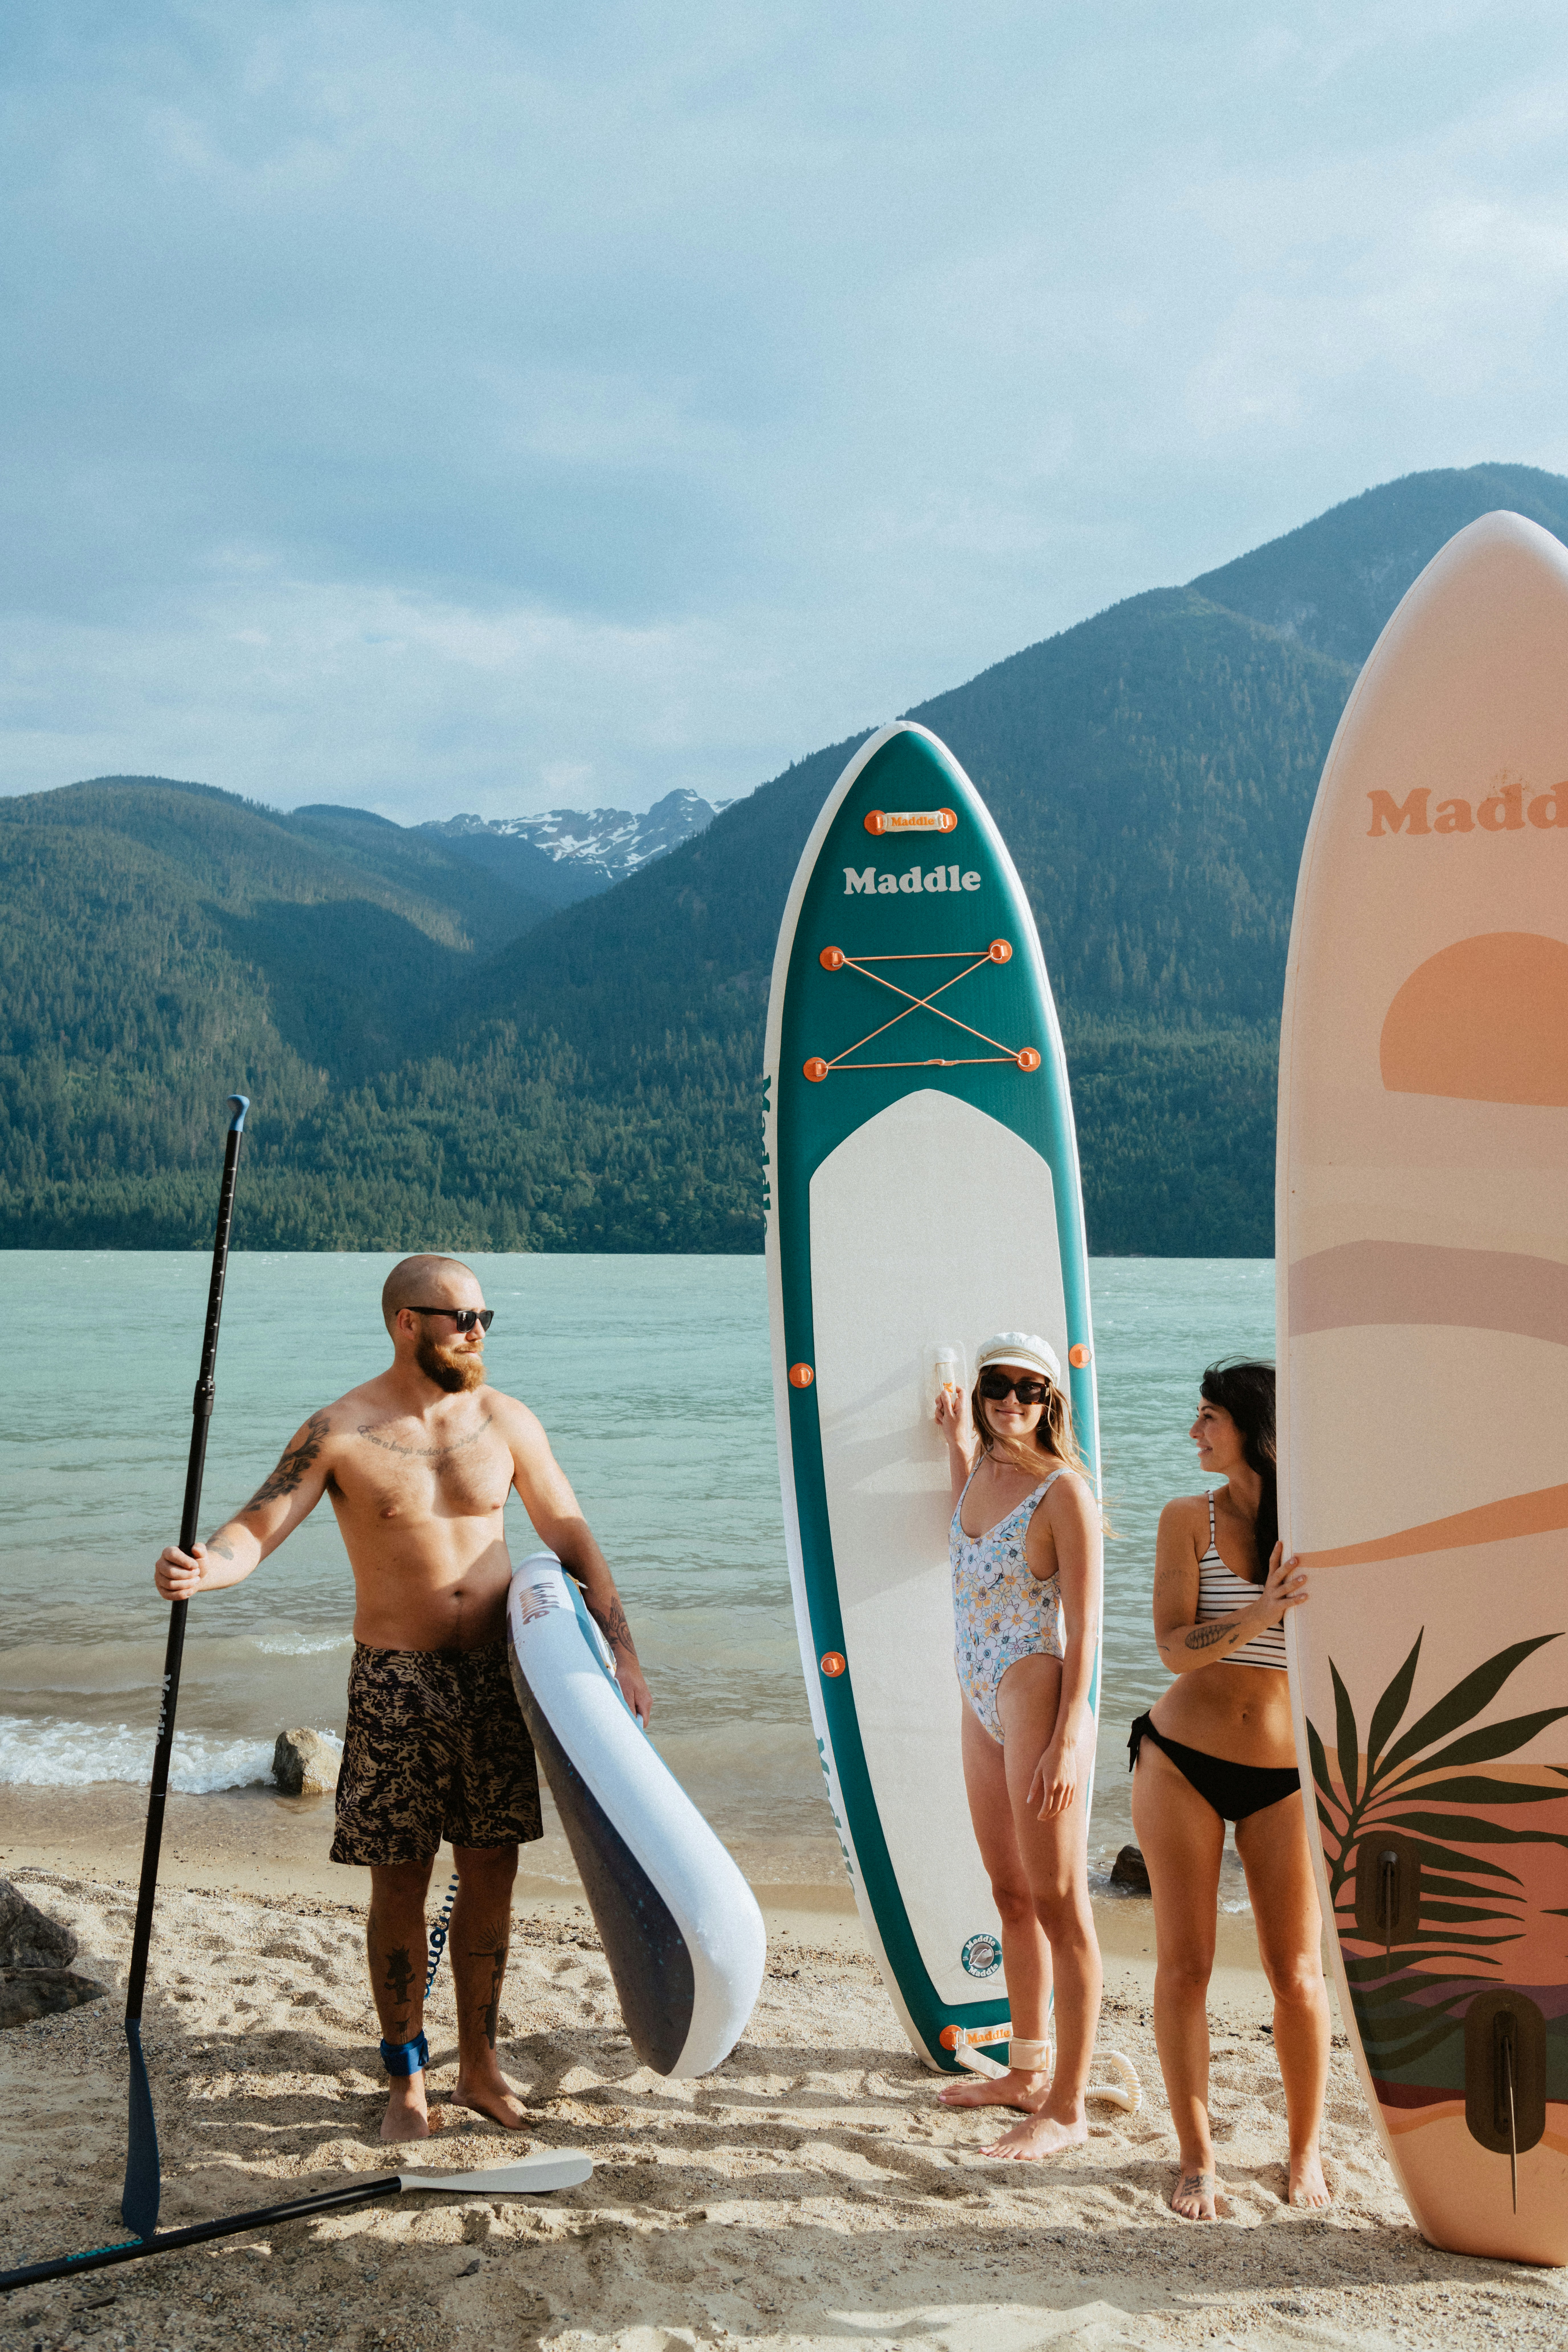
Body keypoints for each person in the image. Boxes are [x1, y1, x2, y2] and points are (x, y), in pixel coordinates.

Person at [154, 1253, 651, 2145]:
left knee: (493, 1871)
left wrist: (621, 1651)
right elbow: (258, 1527)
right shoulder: (341, 1431)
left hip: (499, 1676)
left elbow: (570, 1533)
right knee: (401, 1880)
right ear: (404, 1322)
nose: (476, 1331)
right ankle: (406, 2077)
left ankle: (483, 2067)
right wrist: (205, 1570)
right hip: (396, 1684)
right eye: (459, 1316)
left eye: (485, 1317)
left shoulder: (506, 1420)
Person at [1130, 1359, 1329, 2219]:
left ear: (1256, 1428)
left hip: (1289, 1776)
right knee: (1187, 1965)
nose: (1194, 1432)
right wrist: (1255, 1616)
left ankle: (1306, 2150)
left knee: (1297, 1974)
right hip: (1182, 1760)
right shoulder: (1187, 1519)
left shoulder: (1321, 1525)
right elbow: (1173, 1647)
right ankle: (1198, 2156)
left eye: (1210, 1417)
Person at [932, 1331, 1104, 2159]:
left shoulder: (1063, 1493)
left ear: (1050, 1402)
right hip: (977, 1693)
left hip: (1034, 1690)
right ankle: (1027, 2069)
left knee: (1062, 1902)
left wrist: (1068, 1742)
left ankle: (1066, 2108)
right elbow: (963, 1545)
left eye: (1028, 1391)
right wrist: (953, 1446)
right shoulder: (977, 1476)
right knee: (1010, 1894)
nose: (1011, 1401)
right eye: (997, 1385)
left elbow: (1089, 1633)